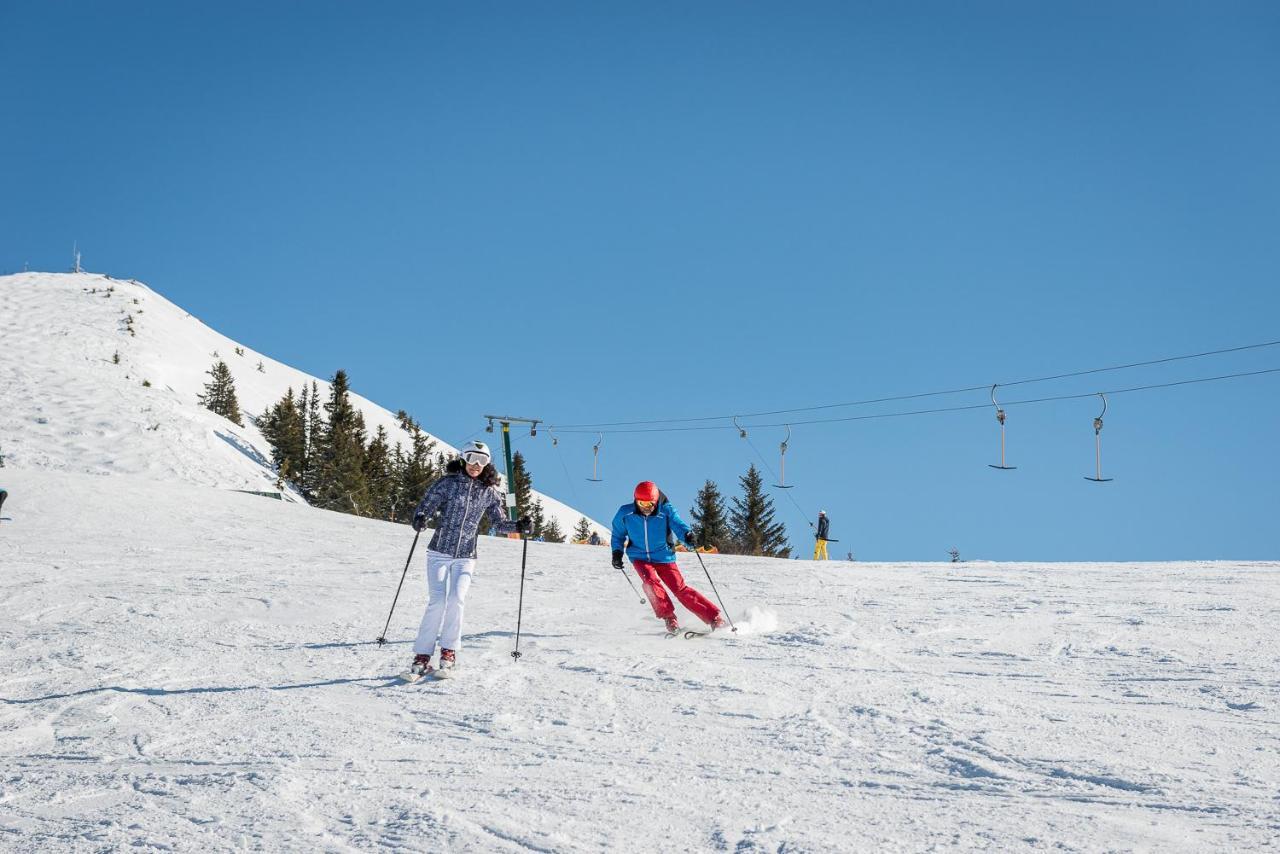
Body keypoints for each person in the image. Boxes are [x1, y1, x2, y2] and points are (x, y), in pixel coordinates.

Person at [403, 441, 530, 679]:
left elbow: (499, 523)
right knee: (437, 602)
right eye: (472, 459)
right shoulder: (447, 483)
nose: (476, 465)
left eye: (482, 461)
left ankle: (449, 653)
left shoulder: (489, 492)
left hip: (466, 556)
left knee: (456, 599)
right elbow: (426, 506)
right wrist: (420, 517)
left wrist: (519, 526)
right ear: (463, 458)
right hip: (439, 551)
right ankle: (422, 655)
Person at [611, 481, 724, 635]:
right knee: (650, 582)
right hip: (639, 557)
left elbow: (678, 524)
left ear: (656, 501)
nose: (646, 507)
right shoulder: (625, 513)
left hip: (664, 556)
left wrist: (687, 535)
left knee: (680, 589)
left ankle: (714, 618)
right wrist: (617, 553)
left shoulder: (665, 510)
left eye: (649, 503)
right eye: (641, 503)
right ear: (635, 500)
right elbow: (617, 534)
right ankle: (669, 618)